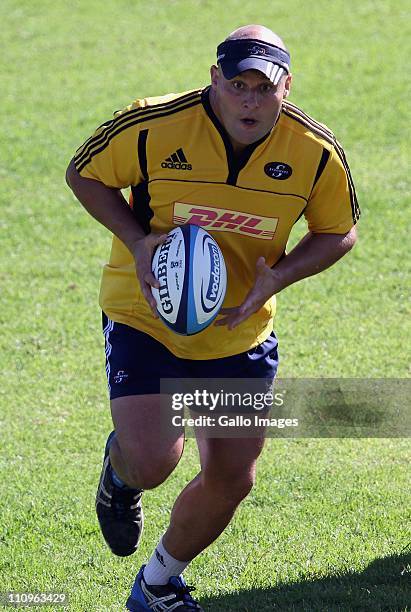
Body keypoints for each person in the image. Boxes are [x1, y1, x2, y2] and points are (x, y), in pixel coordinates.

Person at [66, 23, 359, 611]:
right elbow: (85, 173)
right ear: (214, 81)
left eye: (264, 88)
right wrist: (137, 240)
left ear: (286, 88)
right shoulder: (153, 126)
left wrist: (279, 276)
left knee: (232, 476)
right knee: (153, 461)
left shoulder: (314, 152)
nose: (250, 99)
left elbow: (338, 230)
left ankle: (159, 583)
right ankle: (121, 472)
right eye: (238, 84)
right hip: (145, 312)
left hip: (239, 330)